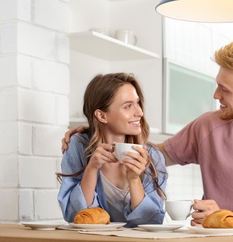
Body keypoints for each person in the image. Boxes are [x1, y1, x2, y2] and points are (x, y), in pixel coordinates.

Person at [61, 40, 233, 232]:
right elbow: (153, 154)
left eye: (224, 89)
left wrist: (228, 219)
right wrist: (93, 132)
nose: (216, 95)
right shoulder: (208, 125)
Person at [56, 73, 167, 228]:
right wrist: (92, 169)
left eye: (137, 103)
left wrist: (134, 179)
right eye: (128, 106)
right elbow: (75, 216)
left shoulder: (153, 157)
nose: (139, 112)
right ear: (101, 115)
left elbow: (152, 223)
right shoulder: (78, 146)